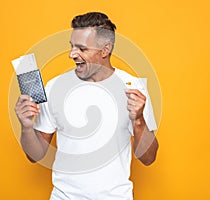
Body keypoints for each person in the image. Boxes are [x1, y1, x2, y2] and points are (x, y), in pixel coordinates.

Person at [15, 12, 159, 200]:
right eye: (72, 47)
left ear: (105, 49)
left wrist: (139, 119)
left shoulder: (133, 88)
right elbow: (34, 155)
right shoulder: (54, 87)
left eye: (81, 48)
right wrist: (26, 127)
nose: (72, 54)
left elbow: (148, 158)